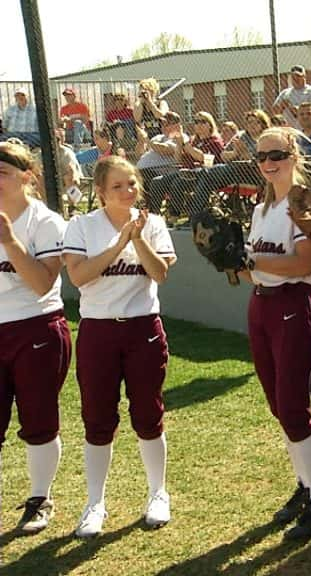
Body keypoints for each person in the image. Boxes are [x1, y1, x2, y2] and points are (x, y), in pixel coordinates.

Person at [62, 156, 177, 538]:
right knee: (97, 418)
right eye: (117, 186)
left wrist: (138, 237)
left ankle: (158, 493)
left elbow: (159, 273)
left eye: (132, 183)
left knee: (148, 413)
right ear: (99, 192)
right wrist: (118, 244)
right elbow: (79, 276)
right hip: (98, 331)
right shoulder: (81, 225)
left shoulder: (153, 223)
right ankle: (95, 502)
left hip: (143, 328)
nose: (128, 191)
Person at [238, 127, 311, 541]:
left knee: (294, 407)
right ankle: (306, 485)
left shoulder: (303, 199)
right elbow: (251, 270)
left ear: (294, 154)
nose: (268, 162)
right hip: (262, 304)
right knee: (279, 405)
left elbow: (302, 264)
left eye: (277, 153)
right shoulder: (263, 207)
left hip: (294, 303)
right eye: (261, 156)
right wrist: (232, 260)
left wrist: (252, 258)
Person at [0, 141, 71, 535]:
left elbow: (43, 284)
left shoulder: (44, 222)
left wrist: (10, 241)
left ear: (26, 176)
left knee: (38, 419)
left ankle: (40, 497)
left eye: (3, 173)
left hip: (35, 327)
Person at [273, 65, 311, 129]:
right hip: (289, 129)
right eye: (293, 77)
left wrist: (302, 110)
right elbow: (274, 111)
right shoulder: (285, 93)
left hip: (307, 129)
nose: (296, 79)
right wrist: (282, 106)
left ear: (304, 77)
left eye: (298, 76)